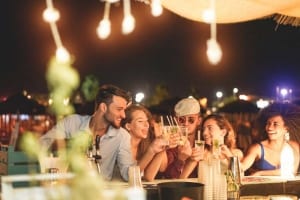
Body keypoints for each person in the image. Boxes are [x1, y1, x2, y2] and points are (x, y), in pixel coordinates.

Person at [39, 84, 135, 181]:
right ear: (103, 107)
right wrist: (70, 144)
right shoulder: (71, 123)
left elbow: (128, 174)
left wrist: (150, 150)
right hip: (69, 189)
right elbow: (42, 144)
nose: (123, 115)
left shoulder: (123, 136)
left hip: (101, 193)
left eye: (124, 110)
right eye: (119, 109)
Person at [240, 102, 300, 176]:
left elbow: (291, 171)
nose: (269, 128)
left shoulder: (294, 147)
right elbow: (243, 167)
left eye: (275, 124)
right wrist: (230, 156)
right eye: (268, 123)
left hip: (288, 187)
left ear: (286, 128)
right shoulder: (257, 148)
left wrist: (261, 173)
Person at [180, 113, 243, 178]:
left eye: (210, 128)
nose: (204, 133)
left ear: (223, 132)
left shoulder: (236, 153)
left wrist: (230, 157)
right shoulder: (201, 153)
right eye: (203, 129)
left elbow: (238, 179)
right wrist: (191, 160)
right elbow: (182, 178)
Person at [121, 104, 168, 181]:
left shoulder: (145, 145)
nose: (146, 125)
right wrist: (151, 150)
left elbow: (160, 170)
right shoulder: (121, 146)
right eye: (140, 121)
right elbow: (130, 177)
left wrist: (163, 144)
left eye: (147, 121)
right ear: (128, 126)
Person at [162, 96, 202, 178]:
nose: (186, 123)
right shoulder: (171, 143)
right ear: (176, 121)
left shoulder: (203, 141)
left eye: (191, 120)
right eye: (181, 120)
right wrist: (180, 160)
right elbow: (169, 178)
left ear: (199, 121)